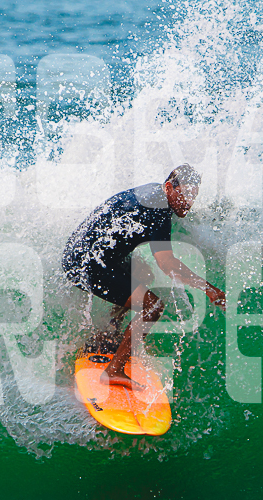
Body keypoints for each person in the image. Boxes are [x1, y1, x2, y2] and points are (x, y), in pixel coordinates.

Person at [62, 164, 225, 387]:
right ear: (170, 187)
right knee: (152, 306)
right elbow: (167, 264)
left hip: (78, 251)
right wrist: (209, 289)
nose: (189, 202)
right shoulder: (159, 212)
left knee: (144, 273)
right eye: (185, 194)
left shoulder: (153, 192)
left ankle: (109, 333)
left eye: (193, 196)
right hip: (86, 264)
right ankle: (114, 370)